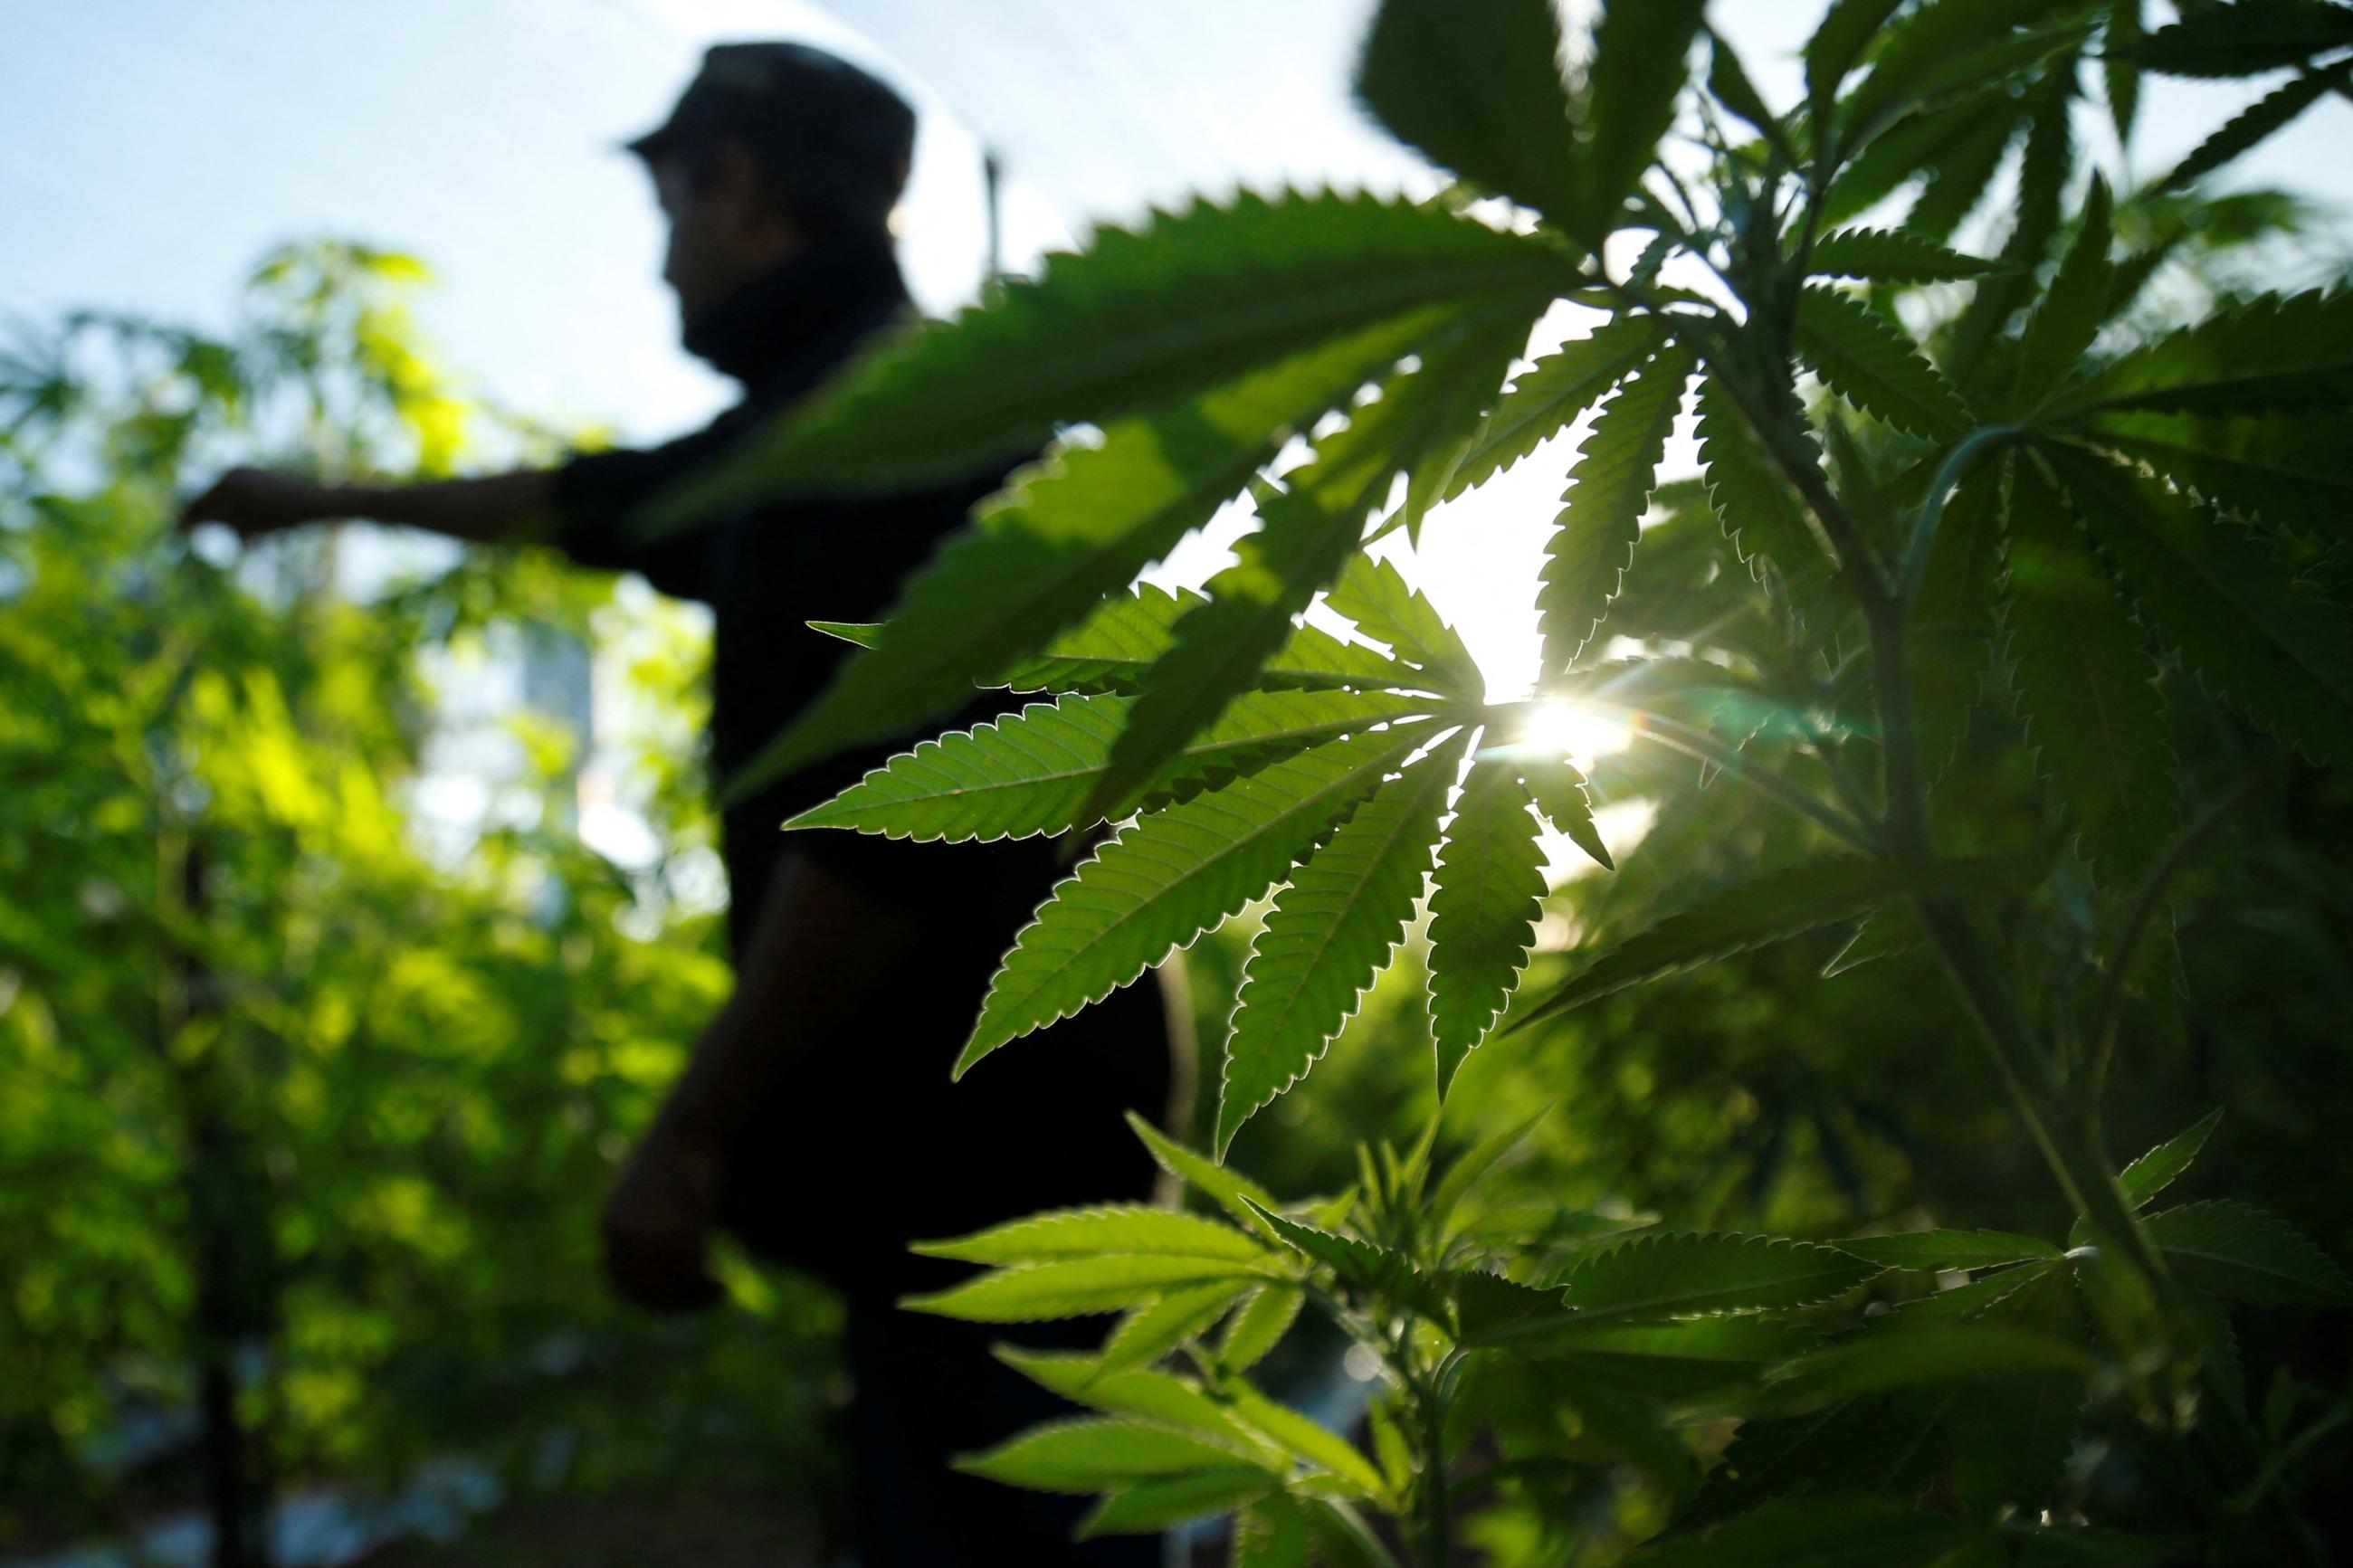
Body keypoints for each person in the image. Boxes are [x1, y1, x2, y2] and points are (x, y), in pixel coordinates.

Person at [183, 43, 1176, 1566]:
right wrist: (314, 503)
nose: (659, 255)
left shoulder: (886, 437)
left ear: (741, 190)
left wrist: (687, 1136)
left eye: (667, 196)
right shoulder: (832, 418)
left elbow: (885, 837)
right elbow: (592, 497)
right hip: (1005, 1159)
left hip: (998, 1178)